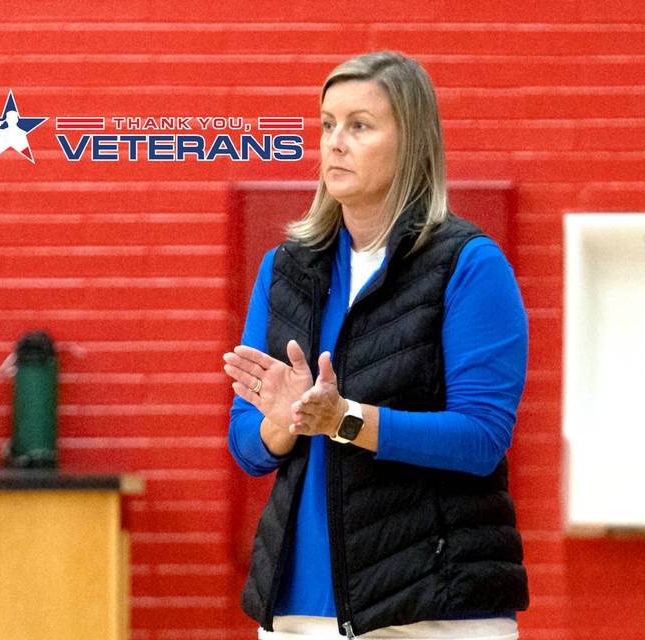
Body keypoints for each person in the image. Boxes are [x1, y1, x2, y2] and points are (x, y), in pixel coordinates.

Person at [224, 51, 529, 640]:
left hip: (432, 607)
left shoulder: (469, 265)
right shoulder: (286, 269)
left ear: (411, 142)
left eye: (359, 126)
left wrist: (345, 420)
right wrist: (283, 422)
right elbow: (247, 442)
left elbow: (482, 438)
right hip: (297, 607)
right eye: (327, 124)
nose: (335, 143)